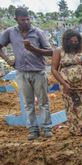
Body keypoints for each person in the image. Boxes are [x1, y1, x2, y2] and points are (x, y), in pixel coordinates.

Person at [0, 7, 53, 140]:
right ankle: (33, 130)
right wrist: (8, 60)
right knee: (28, 103)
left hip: (38, 71)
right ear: (16, 20)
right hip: (21, 72)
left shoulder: (37, 32)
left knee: (43, 101)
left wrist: (33, 49)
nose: (26, 22)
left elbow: (50, 51)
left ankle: (47, 128)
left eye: (28, 19)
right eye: (22, 20)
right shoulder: (10, 32)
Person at [51, 29, 82, 136]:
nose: (74, 43)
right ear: (66, 41)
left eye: (76, 41)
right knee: (74, 107)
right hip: (69, 87)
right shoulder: (59, 51)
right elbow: (54, 69)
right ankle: (80, 130)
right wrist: (64, 84)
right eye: (71, 41)